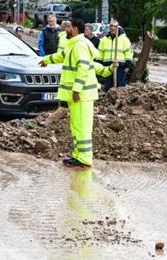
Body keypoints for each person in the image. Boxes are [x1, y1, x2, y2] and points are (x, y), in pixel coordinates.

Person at [39, 18, 115, 168]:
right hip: (79, 95)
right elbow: (62, 55)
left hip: (81, 95)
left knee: (82, 126)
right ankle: (78, 155)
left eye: (68, 27)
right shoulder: (74, 44)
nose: (65, 29)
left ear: (74, 29)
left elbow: (83, 68)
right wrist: (46, 59)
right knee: (77, 126)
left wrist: (76, 90)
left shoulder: (80, 45)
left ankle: (84, 158)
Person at [97, 20, 134, 91]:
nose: (113, 28)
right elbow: (100, 53)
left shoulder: (124, 39)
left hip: (120, 66)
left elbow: (128, 53)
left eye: (115, 26)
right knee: (108, 87)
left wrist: (128, 64)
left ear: (118, 28)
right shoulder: (104, 40)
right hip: (107, 66)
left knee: (120, 87)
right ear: (109, 27)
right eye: (111, 26)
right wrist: (99, 64)